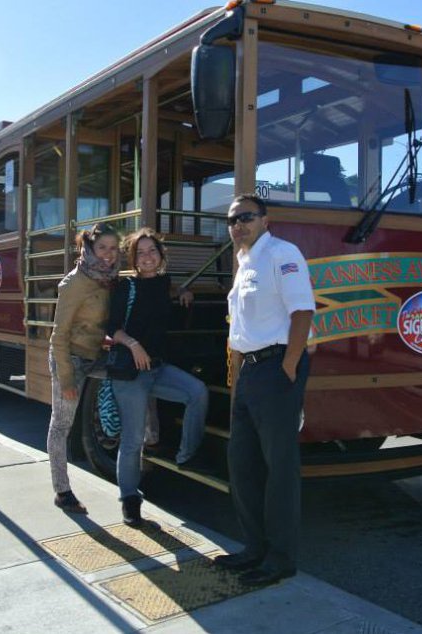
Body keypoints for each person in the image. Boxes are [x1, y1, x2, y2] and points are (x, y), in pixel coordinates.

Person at [213, 193, 315, 587]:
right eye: (233, 220)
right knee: (243, 464)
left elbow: (302, 311)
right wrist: (239, 377)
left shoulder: (282, 253)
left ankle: (280, 559)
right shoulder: (243, 262)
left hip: (276, 368)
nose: (238, 225)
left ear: (265, 220)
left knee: (279, 471)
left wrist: (288, 367)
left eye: (246, 217)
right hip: (250, 373)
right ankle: (254, 548)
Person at [108, 228, 209, 528]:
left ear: (161, 256)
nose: (147, 257)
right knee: (133, 439)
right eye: (141, 253)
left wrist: (182, 291)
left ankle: (186, 454)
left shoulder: (165, 284)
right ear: (134, 259)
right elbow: (112, 329)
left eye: (153, 251)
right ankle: (129, 499)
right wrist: (134, 344)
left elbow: (168, 288)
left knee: (198, 392)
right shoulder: (126, 288)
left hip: (157, 369)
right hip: (130, 374)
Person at [47, 222, 121, 514]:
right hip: (71, 359)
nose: (108, 254)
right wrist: (66, 379)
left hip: (95, 355)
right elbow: (58, 336)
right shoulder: (73, 283)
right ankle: (62, 491)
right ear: (89, 248)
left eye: (114, 248)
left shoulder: (109, 277)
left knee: (133, 377)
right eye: (102, 247)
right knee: (62, 423)